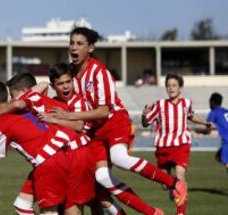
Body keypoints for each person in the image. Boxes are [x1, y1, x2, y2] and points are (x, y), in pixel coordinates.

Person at [51, 26, 187, 213]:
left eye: (79, 44)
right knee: (102, 177)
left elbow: (104, 111)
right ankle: (153, 212)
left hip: (114, 121)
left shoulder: (99, 72)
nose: (74, 48)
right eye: (72, 43)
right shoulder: (73, 74)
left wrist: (69, 115)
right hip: (95, 131)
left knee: (119, 158)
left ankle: (174, 183)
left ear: (90, 48)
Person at [6, 70, 161, 215]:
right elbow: (44, 86)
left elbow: (80, 125)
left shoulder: (79, 101)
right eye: (60, 84)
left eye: (68, 82)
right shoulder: (50, 102)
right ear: (54, 86)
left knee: (99, 198)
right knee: (95, 199)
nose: (65, 86)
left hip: (83, 154)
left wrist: (55, 118)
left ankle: (152, 211)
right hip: (65, 158)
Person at [0, 80, 94, 215]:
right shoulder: (23, 104)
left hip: (49, 162)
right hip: (67, 151)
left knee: (51, 212)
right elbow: (42, 85)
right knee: (22, 205)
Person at [141, 73, 211, 215]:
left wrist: (204, 122)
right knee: (164, 184)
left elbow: (191, 116)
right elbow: (145, 123)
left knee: (180, 177)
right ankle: (172, 190)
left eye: (174, 85)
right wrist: (144, 115)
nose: (171, 88)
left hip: (181, 144)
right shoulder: (159, 105)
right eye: (168, 86)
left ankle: (180, 213)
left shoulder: (186, 103)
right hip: (163, 147)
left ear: (180, 88)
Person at [202, 92, 228, 173]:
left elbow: (208, 130)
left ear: (212, 102)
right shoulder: (225, 111)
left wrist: (200, 131)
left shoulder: (213, 113)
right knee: (220, 157)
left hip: (227, 141)